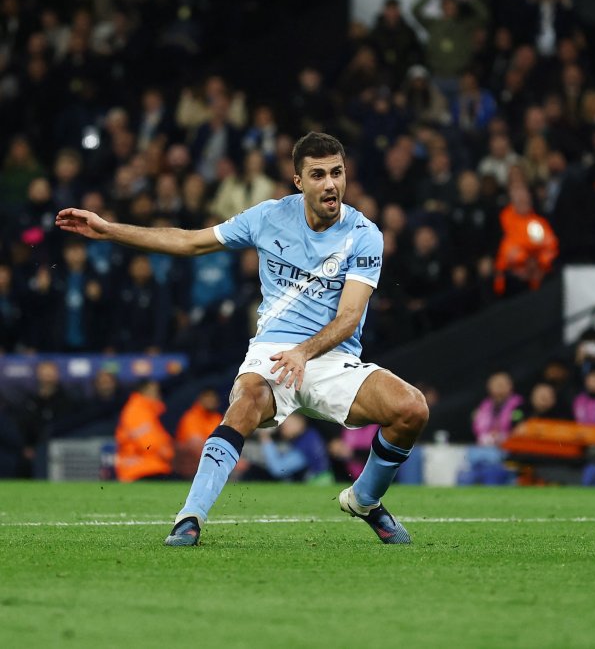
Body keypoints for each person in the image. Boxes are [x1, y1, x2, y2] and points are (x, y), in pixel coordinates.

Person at [56, 132, 429, 546]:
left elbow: (349, 316)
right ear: (298, 181)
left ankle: (364, 498)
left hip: (329, 354)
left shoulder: (363, 233)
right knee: (245, 402)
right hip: (272, 351)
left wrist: (304, 353)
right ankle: (190, 516)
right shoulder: (268, 217)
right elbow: (190, 241)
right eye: (318, 174)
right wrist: (110, 231)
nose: (330, 184)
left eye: (337, 173)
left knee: (411, 409)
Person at [114, 381, 174, 482]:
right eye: (155, 391)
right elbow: (148, 444)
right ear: (145, 391)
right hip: (140, 469)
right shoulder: (137, 410)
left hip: (148, 467)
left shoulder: (147, 411)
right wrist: (167, 452)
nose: (158, 395)